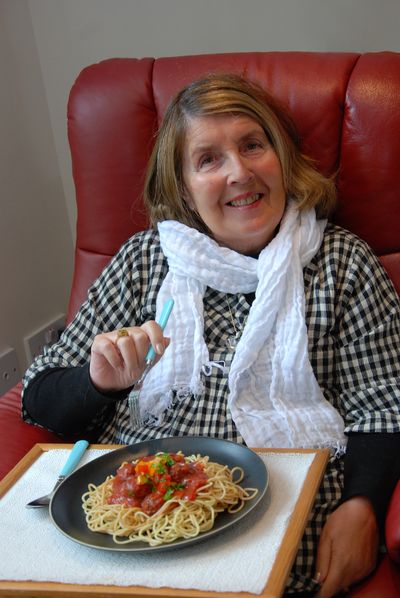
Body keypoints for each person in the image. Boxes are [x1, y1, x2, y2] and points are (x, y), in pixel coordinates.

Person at [22, 74, 400, 597]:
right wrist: (98, 383)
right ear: (182, 186)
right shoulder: (142, 260)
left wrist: (363, 506)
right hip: (133, 528)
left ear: (281, 156)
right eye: (208, 160)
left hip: (287, 522)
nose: (239, 173)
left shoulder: (344, 262)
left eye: (252, 145)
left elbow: (384, 407)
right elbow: (39, 398)